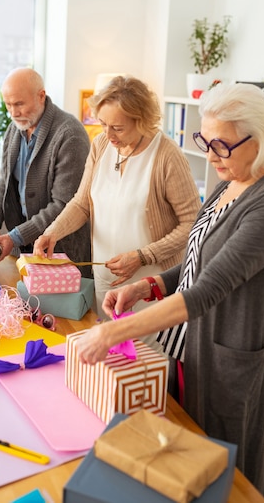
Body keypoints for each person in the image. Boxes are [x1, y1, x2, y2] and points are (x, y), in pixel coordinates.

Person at [73, 81, 264, 496]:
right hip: (187, 345)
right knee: (187, 451)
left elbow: (207, 290)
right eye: (207, 141)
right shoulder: (228, 179)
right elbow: (198, 259)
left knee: (228, 469)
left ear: (261, 139)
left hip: (227, 352)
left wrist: (111, 331)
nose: (212, 155)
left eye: (223, 145)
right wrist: (149, 285)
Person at [33, 75, 201, 346]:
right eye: (103, 124)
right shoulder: (100, 146)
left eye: (118, 128)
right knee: (111, 360)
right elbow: (81, 202)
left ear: (142, 120)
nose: (108, 135)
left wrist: (143, 256)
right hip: (106, 282)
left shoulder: (167, 156)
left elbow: (193, 223)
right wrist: (52, 232)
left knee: (146, 367)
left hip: (150, 285)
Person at [0, 67, 91, 275]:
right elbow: (4, 182)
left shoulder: (70, 135)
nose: (13, 112)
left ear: (41, 96)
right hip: (24, 252)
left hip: (61, 254)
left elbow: (64, 205)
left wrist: (14, 237)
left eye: (19, 104)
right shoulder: (15, 129)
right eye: (8, 104)